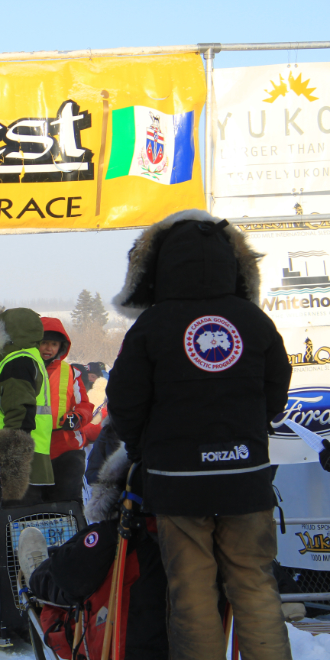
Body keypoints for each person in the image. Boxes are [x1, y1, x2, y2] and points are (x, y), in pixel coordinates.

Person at [106, 210, 293, 660]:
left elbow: (124, 400)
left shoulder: (152, 324)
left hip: (177, 482)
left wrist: (142, 449)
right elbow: (276, 388)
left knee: (191, 593)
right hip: (246, 477)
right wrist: (249, 431)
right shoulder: (252, 320)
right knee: (255, 585)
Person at [20, 444, 169, 660]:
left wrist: (41, 577)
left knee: (66, 584)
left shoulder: (121, 534)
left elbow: (70, 577)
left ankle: (37, 573)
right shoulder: (197, 534)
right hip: (185, 642)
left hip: (121, 646)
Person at [0, 307, 51, 505]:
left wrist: (12, 474)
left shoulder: (18, 362)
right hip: (25, 461)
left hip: (15, 468)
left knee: (13, 528)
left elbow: (20, 413)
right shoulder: (24, 357)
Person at [39, 317, 94, 505]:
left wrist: (77, 417)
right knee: (33, 507)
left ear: (61, 347)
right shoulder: (24, 369)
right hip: (34, 448)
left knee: (67, 504)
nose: (48, 348)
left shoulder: (71, 372)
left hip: (66, 447)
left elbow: (85, 406)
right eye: (44, 343)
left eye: (53, 344)